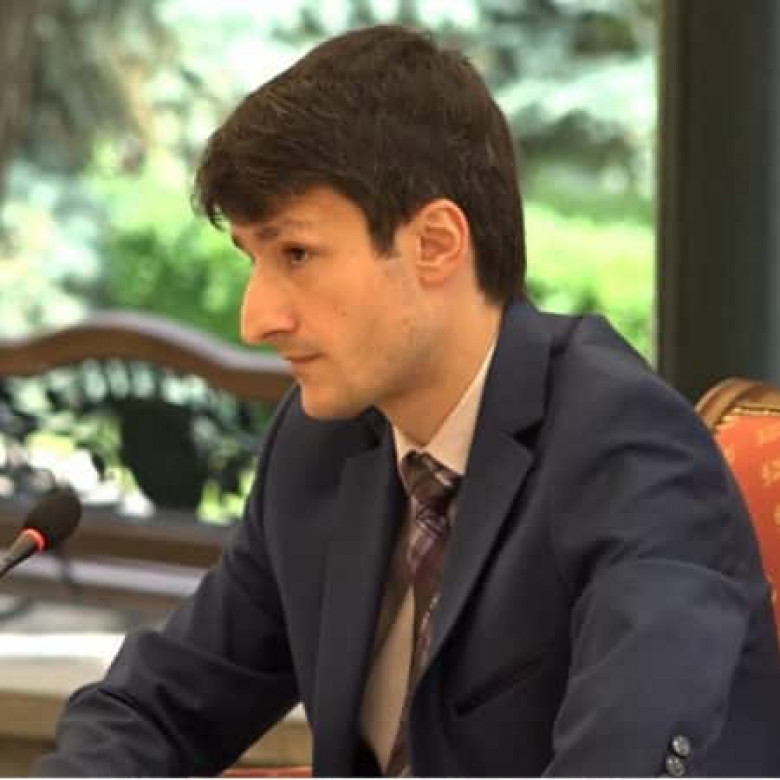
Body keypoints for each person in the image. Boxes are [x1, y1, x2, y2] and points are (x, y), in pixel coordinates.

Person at [35, 24, 780, 777]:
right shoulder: (323, 443)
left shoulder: (628, 448)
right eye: (253, 259)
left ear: (436, 243)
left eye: (297, 254)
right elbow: (152, 708)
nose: (256, 319)